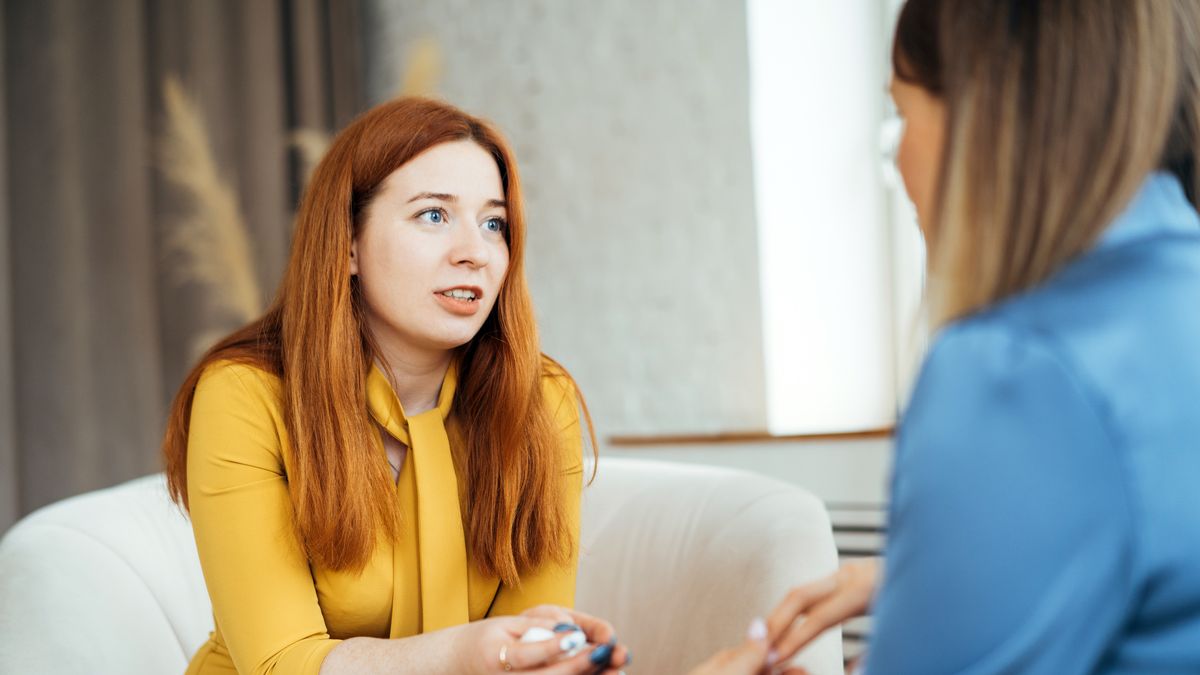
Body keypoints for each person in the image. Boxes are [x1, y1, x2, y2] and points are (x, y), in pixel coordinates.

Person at [693, 0, 1200, 672]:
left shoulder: (1017, 369)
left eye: (902, 114)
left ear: (985, 112)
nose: (899, 162)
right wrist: (925, 582)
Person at [162, 97, 628, 674]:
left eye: (494, 223)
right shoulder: (245, 396)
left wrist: (548, 655)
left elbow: (527, 648)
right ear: (348, 243)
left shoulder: (538, 399)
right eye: (434, 215)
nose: (474, 254)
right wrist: (469, 654)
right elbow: (280, 663)